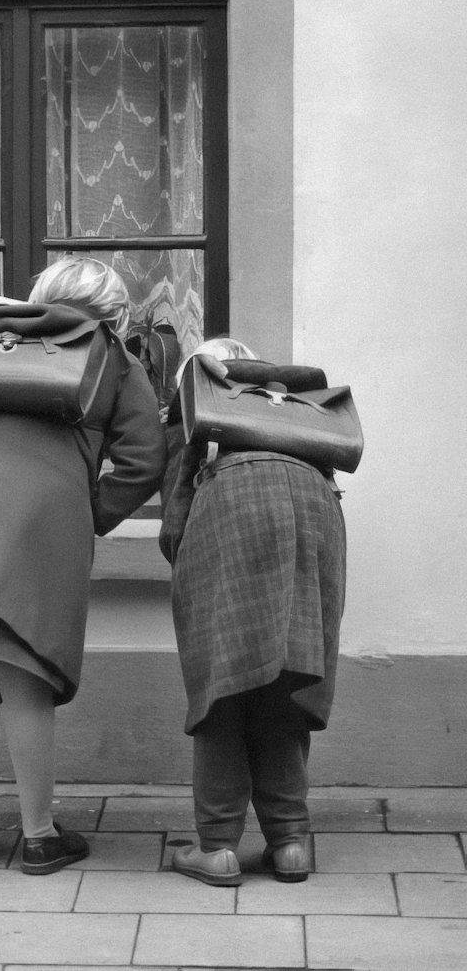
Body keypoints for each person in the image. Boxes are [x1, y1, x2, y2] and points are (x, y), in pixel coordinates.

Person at [0, 258, 167, 874]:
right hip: (45, 511)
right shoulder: (109, 354)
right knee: (24, 674)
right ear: (112, 311)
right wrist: (87, 511)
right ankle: (39, 837)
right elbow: (145, 459)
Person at [160, 337, 347, 886]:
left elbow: (175, 519)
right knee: (285, 682)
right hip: (317, 514)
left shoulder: (197, 404)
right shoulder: (292, 407)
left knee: (224, 688)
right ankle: (290, 843)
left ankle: (217, 848)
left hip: (233, 508)